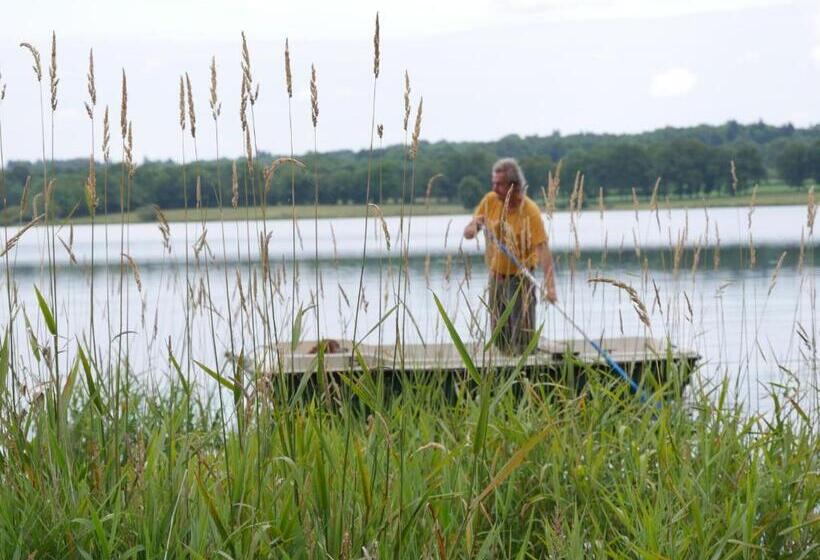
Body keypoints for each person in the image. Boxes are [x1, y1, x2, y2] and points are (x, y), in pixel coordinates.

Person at [463, 158, 557, 354]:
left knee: (523, 338)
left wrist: (550, 287)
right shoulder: (490, 200)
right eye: (493, 183)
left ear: (514, 186)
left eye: (499, 184)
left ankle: (528, 357)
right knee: (499, 335)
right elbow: (471, 229)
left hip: (521, 279)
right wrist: (473, 227)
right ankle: (506, 363)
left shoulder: (529, 211)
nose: (494, 188)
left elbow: (542, 249)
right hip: (496, 277)